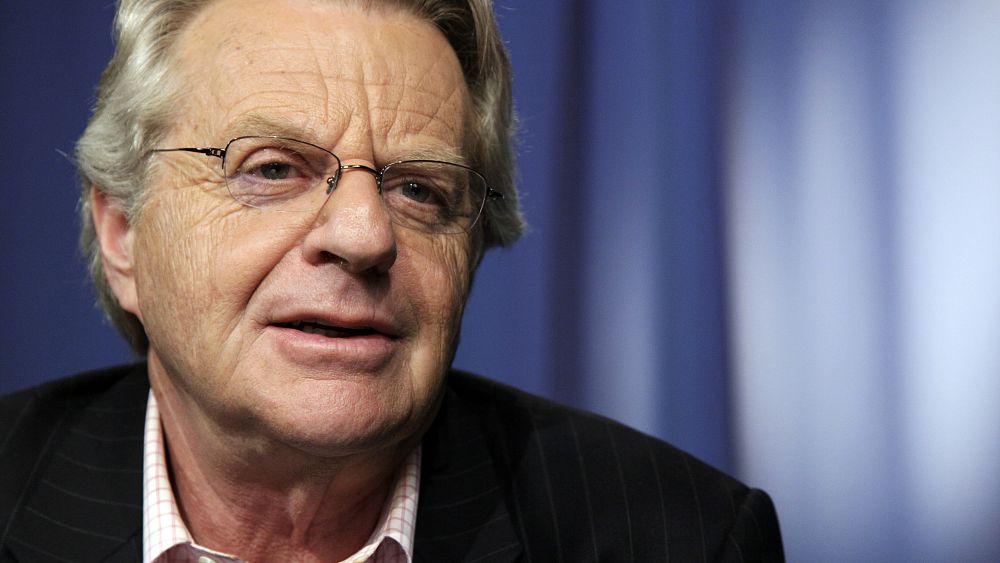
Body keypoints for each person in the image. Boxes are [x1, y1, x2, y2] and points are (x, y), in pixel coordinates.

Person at [0, 0, 783, 561]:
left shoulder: (685, 537)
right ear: (124, 232)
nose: (365, 235)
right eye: (272, 169)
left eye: (418, 188)